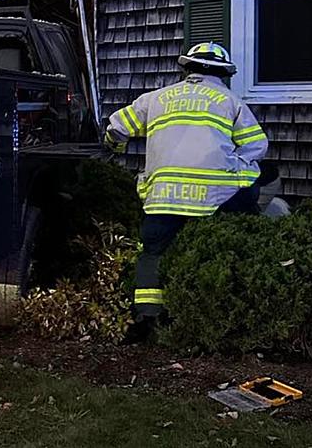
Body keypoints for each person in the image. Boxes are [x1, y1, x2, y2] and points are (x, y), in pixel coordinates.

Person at [103, 42, 268, 342]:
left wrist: (114, 147)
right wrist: (238, 178)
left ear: (186, 68)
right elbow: (256, 146)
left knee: (152, 254)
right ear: (223, 73)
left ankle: (147, 321)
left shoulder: (155, 99)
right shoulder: (230, 102)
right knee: (222, 246)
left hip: (163, 196)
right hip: (213, 199)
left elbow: (117, 128)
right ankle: (211, 317)